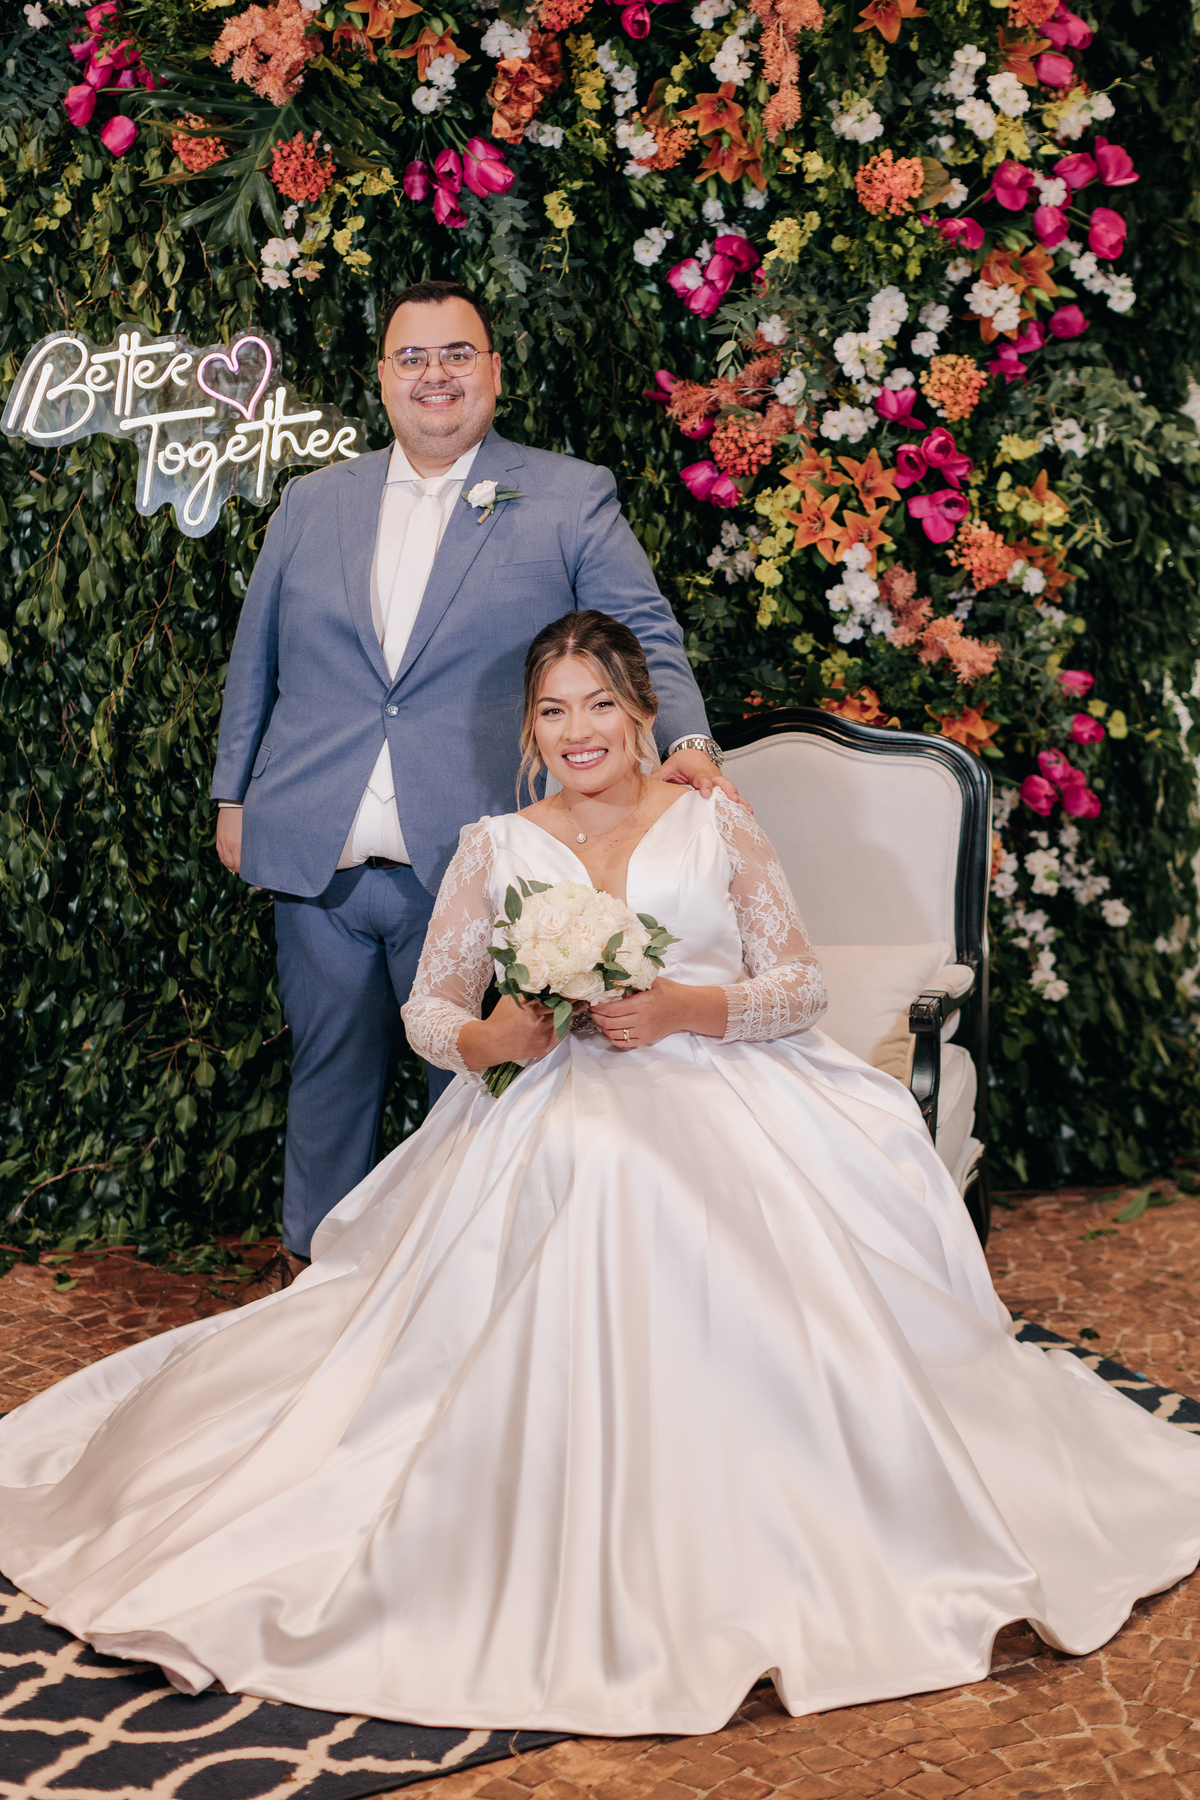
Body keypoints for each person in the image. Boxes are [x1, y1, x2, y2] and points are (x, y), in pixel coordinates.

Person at [2, 610, 1199, 1737]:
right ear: (532, 728)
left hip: (726, 1080)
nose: (579, 731)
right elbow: (430, 1009)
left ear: (641, 714)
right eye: (554, 710)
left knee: (655, 1177)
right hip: (555, 1090)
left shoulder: (716, 819)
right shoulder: (497, 846)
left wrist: (685, 1008)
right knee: (585, 1162)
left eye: (599, 706)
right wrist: (493, 1039)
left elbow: (799, 985)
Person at [210, 279, 732, 1276]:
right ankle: (313, 1278)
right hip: (314, 848)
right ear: (383, 377)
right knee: (326, 1077)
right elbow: (256, 659)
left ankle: (456, 1290)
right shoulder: (313, 503)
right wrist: (234, 794)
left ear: (492, 370)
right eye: (413, 357)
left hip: (472, 857)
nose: (435, 375)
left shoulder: (567, 494)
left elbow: (643, 633)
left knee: (478, 1088)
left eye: (457, 354)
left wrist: (687, 743)